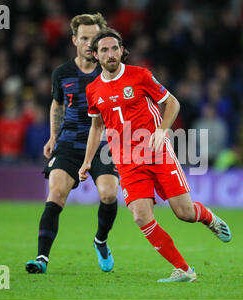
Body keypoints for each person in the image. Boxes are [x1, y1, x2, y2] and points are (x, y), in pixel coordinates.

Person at [79, 28, 232, 283]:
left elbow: (172, 103)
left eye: (114, 48)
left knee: (183, 213)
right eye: (104, 50)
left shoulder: (140, 76)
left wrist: (162, 131)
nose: (111, 54)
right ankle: (184, 270)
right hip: (126, 162)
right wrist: (86, 162)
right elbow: (97, 127)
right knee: (141, 216)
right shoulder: (93, 89)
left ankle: (208, 217)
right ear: (95, 55)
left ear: (121, 50)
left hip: (156, 152)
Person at [26, 14, 119, 274]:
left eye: (95, 38)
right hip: (68, 143)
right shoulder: (62, 73)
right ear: (75, 40)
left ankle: (100, 240)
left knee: (109, 194)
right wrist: (53, 136)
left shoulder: (111, 72)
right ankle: (41, 258)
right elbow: (57, 103)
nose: (90, 43)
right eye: (85, 38)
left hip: (102, 145)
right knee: (55, 193)